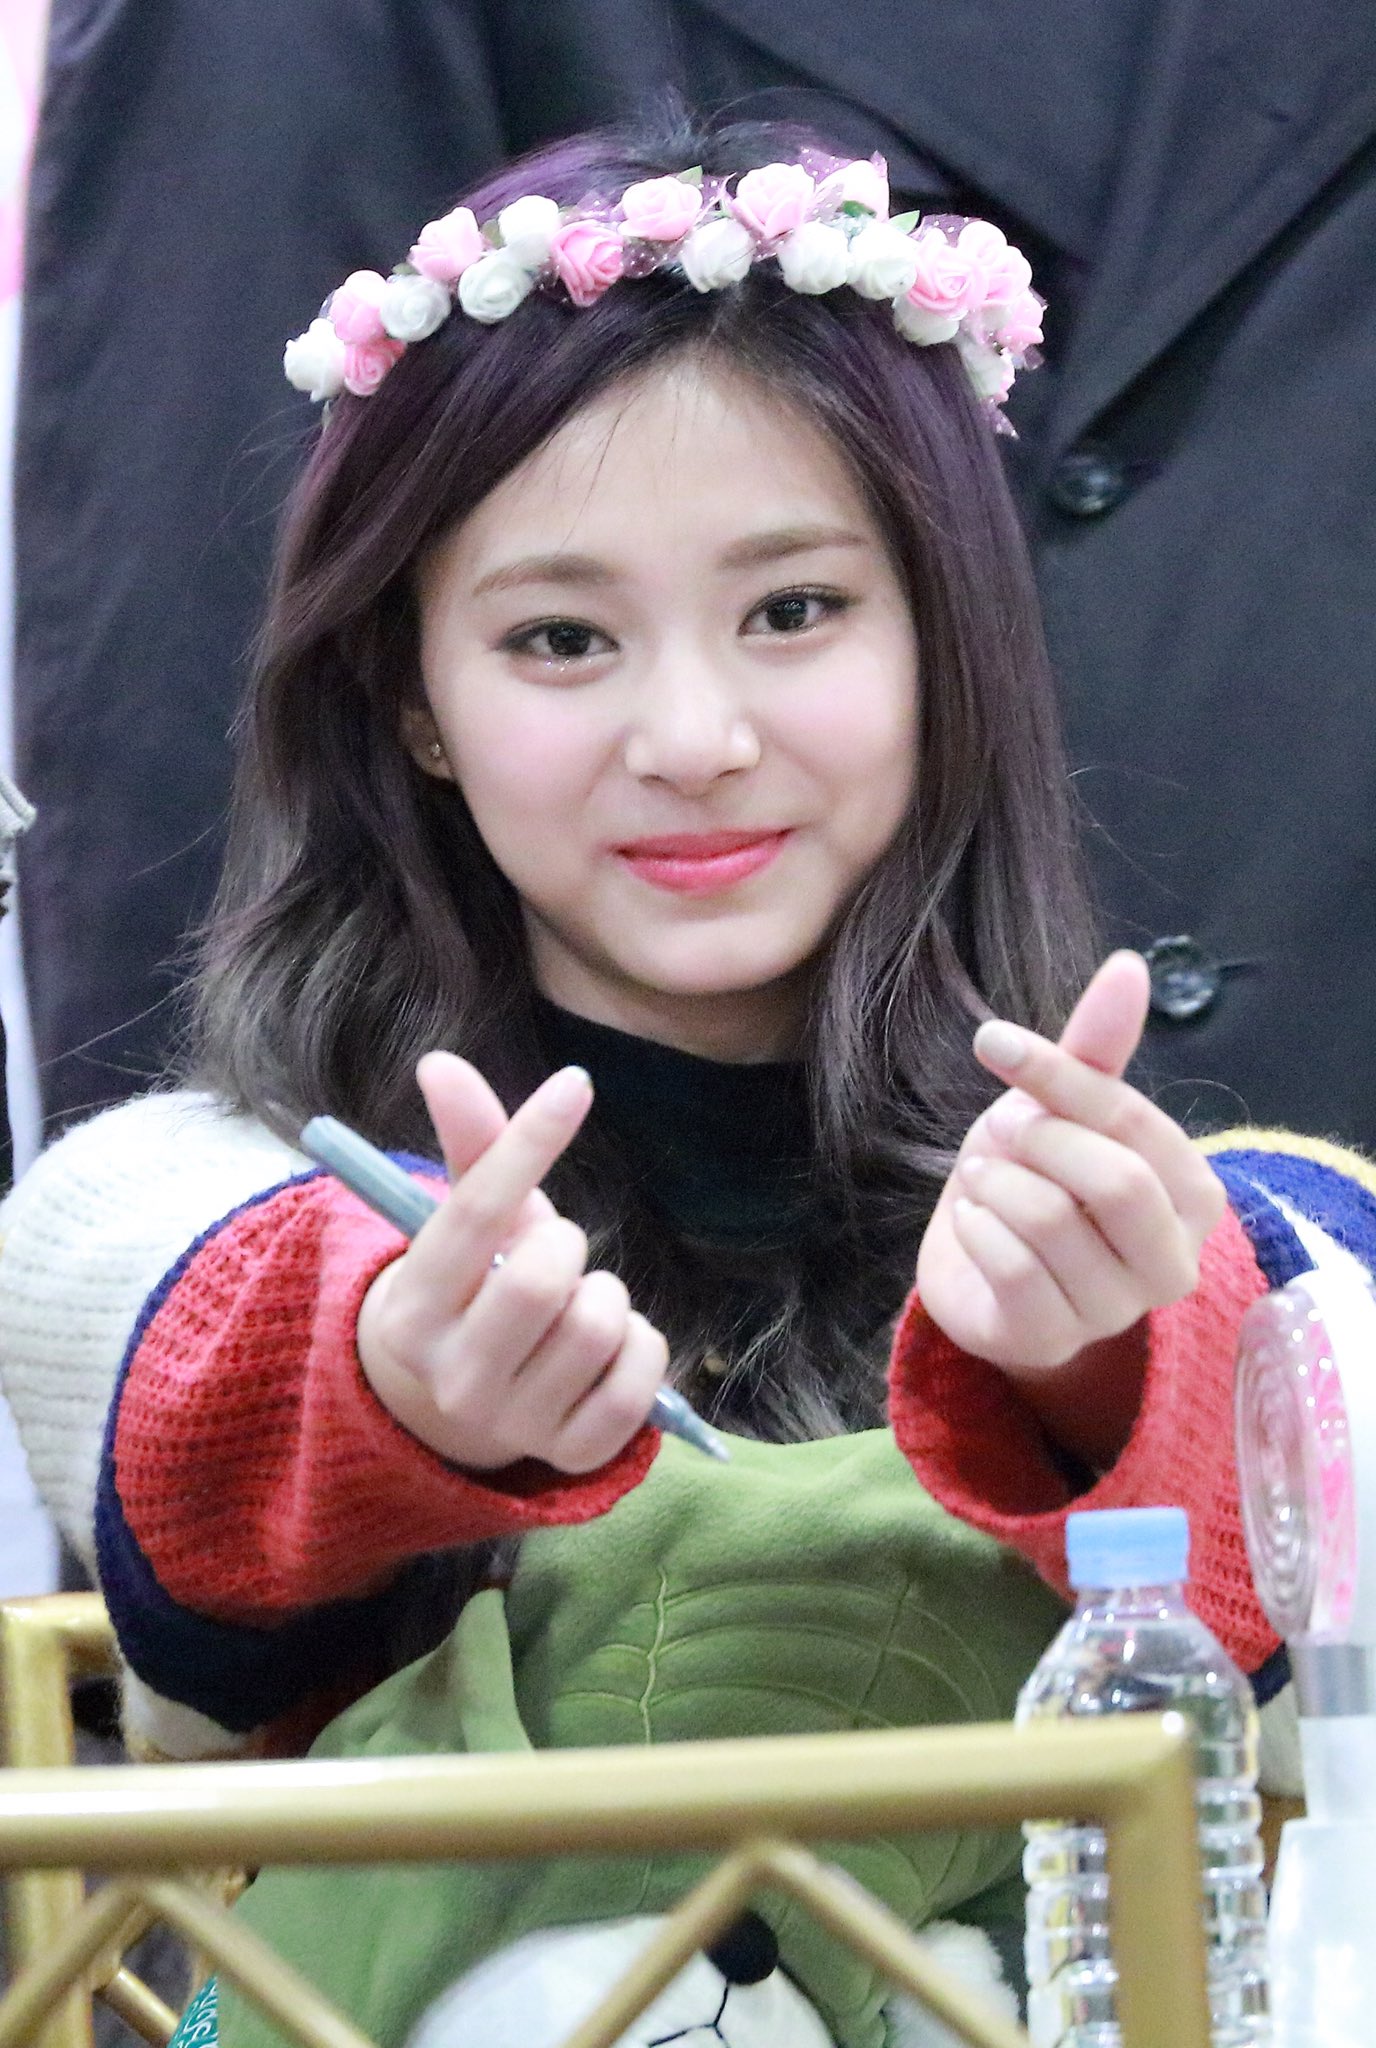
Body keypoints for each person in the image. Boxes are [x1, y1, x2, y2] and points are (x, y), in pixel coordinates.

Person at [1, 115, 1369, 2045]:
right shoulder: (183, 1196)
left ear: (946, 640)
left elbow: (1325, 1334)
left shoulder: (1188, 1212)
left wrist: (1105, 1367)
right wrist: (393, 1374)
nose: (695, 736)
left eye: (793, 611)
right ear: (413, 699)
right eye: (560, 639)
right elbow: (159, 1346)